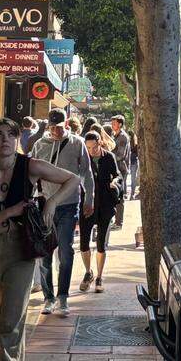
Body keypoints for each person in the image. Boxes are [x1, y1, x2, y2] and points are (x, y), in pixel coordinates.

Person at [0, 117, 80, 361]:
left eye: (11, 134)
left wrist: (52, 202)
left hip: (20, 247)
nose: (5, 139)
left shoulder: (29, 166)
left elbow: (73, 179)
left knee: (11, 321)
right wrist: (8, 211)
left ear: (17, 139)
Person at [30, 110, 95, 317]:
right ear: (47, 126)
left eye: (59, 126)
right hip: (45, 205)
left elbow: (86, 172)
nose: (56, 130)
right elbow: (31, 175)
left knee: (65, 250)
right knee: (45, 253)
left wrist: (89, 198)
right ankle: (48, 298)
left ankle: (63, 296)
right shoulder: (40, 145)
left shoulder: (77, 143)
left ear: (65, 124)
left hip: (69, 204)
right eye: (52, 126)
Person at [78, 129, 123, 294]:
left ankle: (99, 276)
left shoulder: (108, 157)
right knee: (84, 242)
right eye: (88, 148)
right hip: (87, 204)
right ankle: (88, 272)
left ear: (100, 143)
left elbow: (118, 175)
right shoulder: (83, 159)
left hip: (104, 203)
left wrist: (115, 183)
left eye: (94, 147)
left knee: (101, 243)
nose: (91, 151)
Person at [109, 116, 130, 228]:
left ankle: (119, 222)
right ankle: (116, 220)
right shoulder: (115, 135)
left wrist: (108, 156)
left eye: (114, 123)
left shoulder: (123, 137)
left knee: (120, 196)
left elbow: (120, 155)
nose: (112, 124)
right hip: (116, 168)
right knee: (114, 194)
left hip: (121, 169)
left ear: (120, 124)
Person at [128, 132, 139, 200]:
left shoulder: (128, 144)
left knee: (132, 178)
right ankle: (132, 194)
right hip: (134, 162)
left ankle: (130, 194)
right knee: (133, 178)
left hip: (131, 162)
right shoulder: (135, 145)